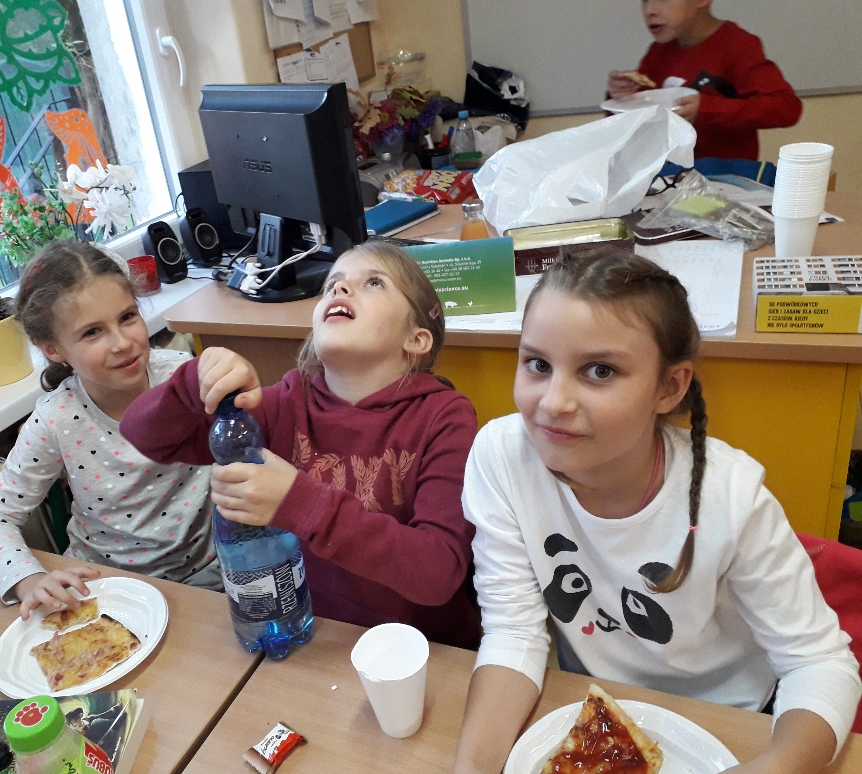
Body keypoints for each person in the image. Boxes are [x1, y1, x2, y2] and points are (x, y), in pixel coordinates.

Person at [453, 249, 861, 773]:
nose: (553, 402)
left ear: (669, 387)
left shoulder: (731, 496)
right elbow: (513, 631)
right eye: (538, 364)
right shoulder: (502, 457)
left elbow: (819, 663)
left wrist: (778, 764)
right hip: (592, 703)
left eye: (599, 371)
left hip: (728, 718)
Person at [120, 241, 482, 649]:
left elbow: (437, 572)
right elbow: (143, 433)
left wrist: (301, 502)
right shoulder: (285, 403)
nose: (340, 289)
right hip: (317, 641)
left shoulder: (444, 417)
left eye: (374, 282)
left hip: (419, 651)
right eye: (333, 284)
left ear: (416, 339)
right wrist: (195, 380)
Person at [0, 241, 222, 619]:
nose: (122, 343)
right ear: (53, 348)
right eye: (92, 332)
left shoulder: (183, 376)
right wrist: (28, 579)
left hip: (209, 575)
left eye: (128, 317)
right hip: (107, 587)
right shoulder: (56, 419)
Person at [606, 0, 802, 161]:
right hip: (669, 178)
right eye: (645, 0)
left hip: (727, 181)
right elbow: (635, 126)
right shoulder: (658, 53)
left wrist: (707, 109)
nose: (649, 10)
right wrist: (623, 99)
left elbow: (786, 108)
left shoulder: (736, 45)